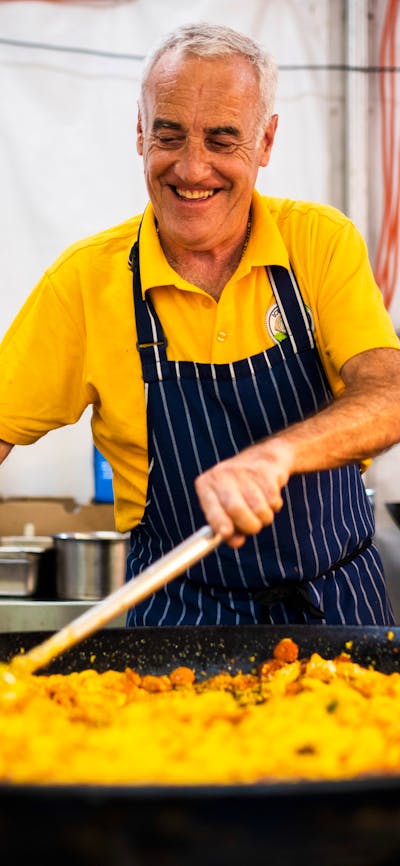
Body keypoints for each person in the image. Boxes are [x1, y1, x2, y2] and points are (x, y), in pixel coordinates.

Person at [1, 23, 400, 628]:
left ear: (265, 141)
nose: (192, 167)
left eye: (222, 140)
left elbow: (390, 394)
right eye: (169, 135)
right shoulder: (86, 282)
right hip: (178, 616)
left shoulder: (318, 243)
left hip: (338, 607)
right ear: (139, 133)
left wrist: (275, 457)